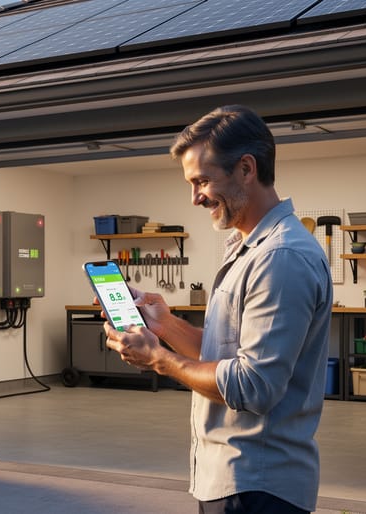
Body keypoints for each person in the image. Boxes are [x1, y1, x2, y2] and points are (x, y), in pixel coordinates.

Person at [103, 105, 333, 514]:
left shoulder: (280, 257)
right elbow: (226, 353)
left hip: (258, 488)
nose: (195, 198)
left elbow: (253, 385)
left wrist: (158, 359)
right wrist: (166, 325)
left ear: (246, 169)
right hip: (236, 481)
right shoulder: (250, 248)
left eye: (203, 181)